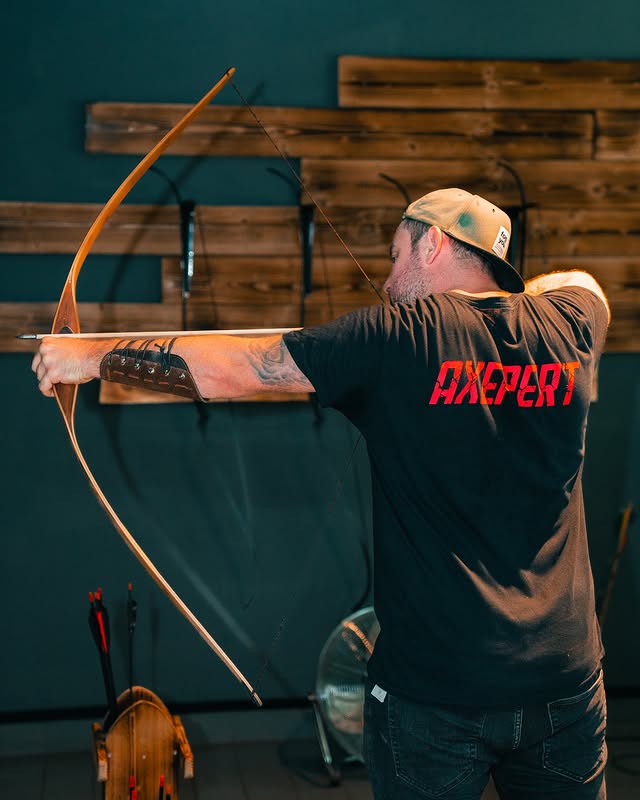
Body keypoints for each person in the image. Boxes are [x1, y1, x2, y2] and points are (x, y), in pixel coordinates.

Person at [33, 188, 610, 799]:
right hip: (564, 682)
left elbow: (239, 369)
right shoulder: (568, 322)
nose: (387, 281)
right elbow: (587, 286)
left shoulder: (398, 335)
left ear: (434, 244)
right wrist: (515, 306)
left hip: (437, 695)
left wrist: (88, 358)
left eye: (396, 255)